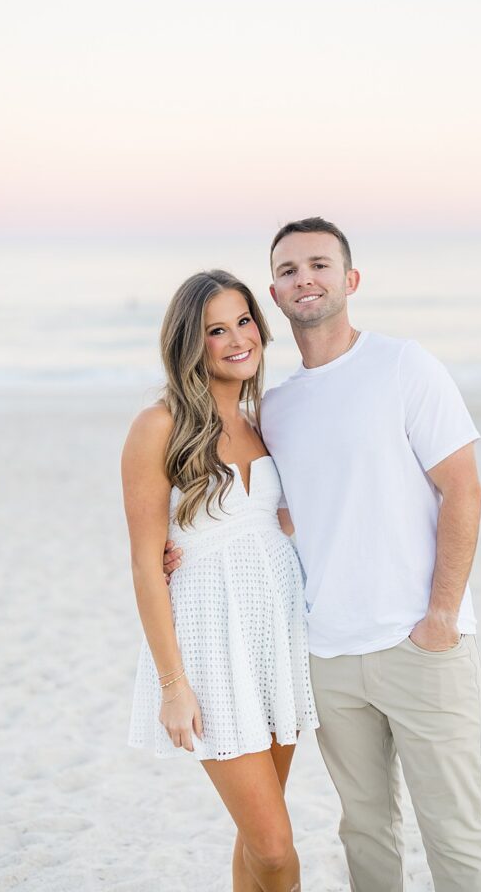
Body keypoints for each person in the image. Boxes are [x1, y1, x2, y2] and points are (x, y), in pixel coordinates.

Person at [164, 218, 481, 892]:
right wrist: (192, 546)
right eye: (288, 271)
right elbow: (275, 510)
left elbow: (462, 490)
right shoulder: (279, 408)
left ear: (349, 280)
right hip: (325, 657)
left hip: (420, 646)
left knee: (455, 837)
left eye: (318, 264)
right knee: (364, 831)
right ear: (274, 295)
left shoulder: (403, 365)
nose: (304, 279)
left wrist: (438, 618)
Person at [124, 269, 318, 892]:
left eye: (244, 322)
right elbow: (145, 564)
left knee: (255, 838)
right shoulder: (159, 426)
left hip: (277, 639)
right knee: (275, 845)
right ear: (190, 342)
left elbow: (281, 518)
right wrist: (173, 686)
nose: (237, 339)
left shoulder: (268, 419)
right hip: (212, 646)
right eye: (216, 330)